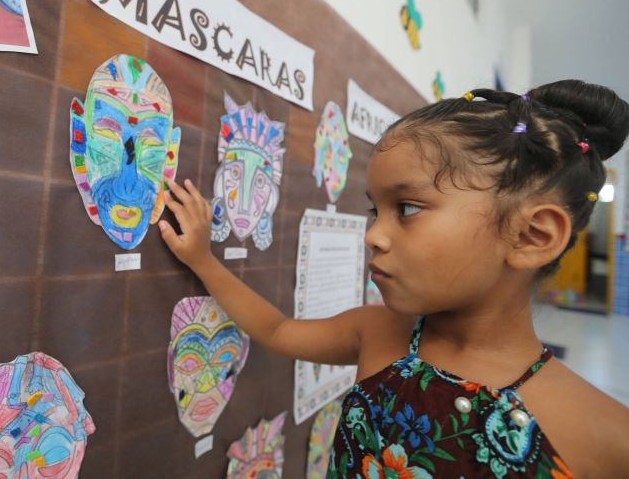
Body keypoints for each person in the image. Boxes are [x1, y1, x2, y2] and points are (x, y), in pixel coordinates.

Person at [158, 80, 629, 477]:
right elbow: (277, 331)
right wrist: (202, 259)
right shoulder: (380, 332)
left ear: (531, 235)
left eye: (407, 208)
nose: (374, 235)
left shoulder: (606, 439)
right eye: (374, 209)